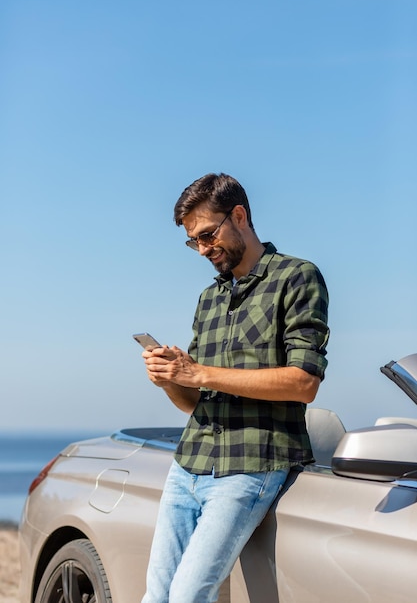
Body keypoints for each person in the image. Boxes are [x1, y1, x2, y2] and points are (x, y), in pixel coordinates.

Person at [141, 172, 329, 603]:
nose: (204, 249)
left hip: (251, 465)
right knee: (157, 596)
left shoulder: (297, 277)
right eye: (195, 242)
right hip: (189, 463)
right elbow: (194, 404)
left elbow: (303, 382)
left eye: (208, 235)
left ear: (239, 215)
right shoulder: (209, 298)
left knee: (189, 595)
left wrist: (199, 373)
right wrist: (170, 379)